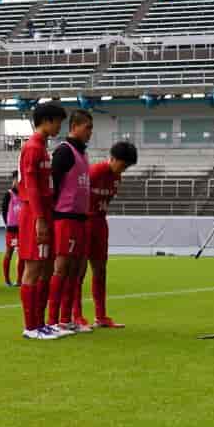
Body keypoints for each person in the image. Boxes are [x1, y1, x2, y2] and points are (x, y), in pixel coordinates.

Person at [71, 141, 138, 331]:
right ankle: (76, 316)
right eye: (123, 165)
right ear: (114, 159)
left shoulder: (117, 178)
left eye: (127, 167)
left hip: (100, 224)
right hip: (85, 223)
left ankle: (101, 316)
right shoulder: (94, 172)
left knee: (100, 270)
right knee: (80, 271)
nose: (123, 170)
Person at [19, 102, 68, 340]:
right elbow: (31, 187)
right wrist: (39, 219)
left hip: (45, 213)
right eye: (58, 121)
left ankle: (40, 324)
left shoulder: (43, 148)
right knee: (33, 268)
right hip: (33, 214)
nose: (60, 126)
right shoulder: (32, 148)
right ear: (47, 120)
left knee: (45, 268)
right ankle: (31, 327)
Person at [47, 109, 94, 334]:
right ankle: (53, 320)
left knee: (76, 270)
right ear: (74, 127)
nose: (90, 133)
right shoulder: (64, 152)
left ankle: (66, 319)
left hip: (80, 220)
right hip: (65, 218)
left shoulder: (83, 154)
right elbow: (52, 184)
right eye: (87, 128)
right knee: (62, 268)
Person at [1, 170, 24, 287]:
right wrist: (7, 224)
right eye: (16, 179)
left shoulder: (24, 194)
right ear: (13, 181)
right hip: (12, 229)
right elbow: (4, 211)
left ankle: (19, 280)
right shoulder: (8, 194)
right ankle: (7, 279)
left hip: (22, 229)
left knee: (22, 255)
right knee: (8, 253)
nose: (17, 182)